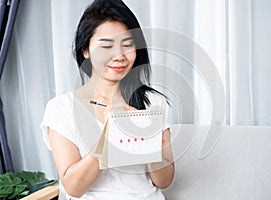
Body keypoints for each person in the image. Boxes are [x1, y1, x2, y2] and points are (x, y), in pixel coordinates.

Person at [41, 0, 174, 199]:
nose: (119, 56)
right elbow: (73, 188)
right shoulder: (61, 109)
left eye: (127, 45)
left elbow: (164, 181)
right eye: (107, 46)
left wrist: (148, 138)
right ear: (85, 50)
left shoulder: (153, 103)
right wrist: (111, 135)